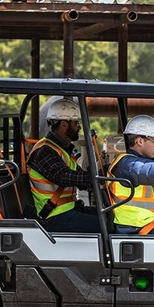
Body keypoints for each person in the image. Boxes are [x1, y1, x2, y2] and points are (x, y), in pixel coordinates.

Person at [26, 98, 101, 233]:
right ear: (64, 124)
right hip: (53, 216)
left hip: (68, 210)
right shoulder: (44, 151)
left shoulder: (61, 150)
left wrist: (102, 176)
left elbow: (80, 181)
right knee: (105, 225)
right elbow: (63, 177)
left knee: (109, 216)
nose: (78, 127)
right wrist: (94, 178)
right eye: (76, 123)